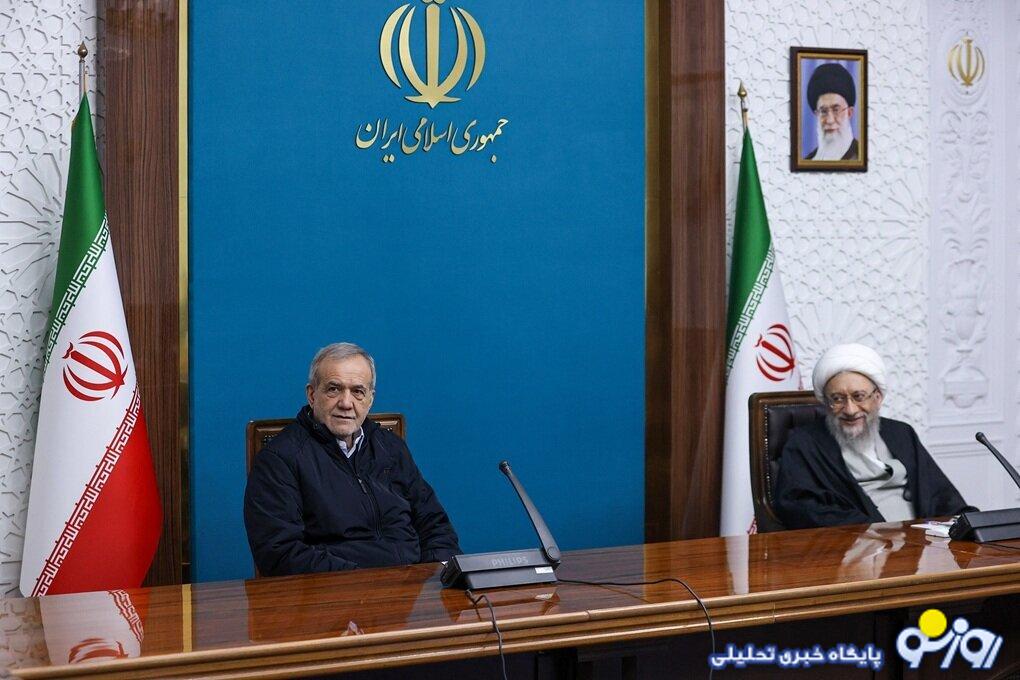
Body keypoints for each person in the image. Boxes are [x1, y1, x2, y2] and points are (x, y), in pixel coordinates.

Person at [244, 342, 460, 576]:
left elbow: (435, 524)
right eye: (334, 389)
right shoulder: (279, 459)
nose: (346, 403)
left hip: (411, 588)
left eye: (358, 391)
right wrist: (365, 582)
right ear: (312, 395)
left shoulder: (390, 447)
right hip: (337, 591)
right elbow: (280, 554)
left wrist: (438, 575)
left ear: (370, 399)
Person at [774, 343, 974, 529]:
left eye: (859, 396)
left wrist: (969, 523)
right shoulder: (805, 443)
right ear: (827, 403)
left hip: (922, 541)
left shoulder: (901, 433)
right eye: (837, 399)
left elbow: (940, 494)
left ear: (877, 398)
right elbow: (798, 507)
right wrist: (871, 529)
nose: (850, 409)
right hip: (858, 546)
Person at [804, 63, 859, 161]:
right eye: (823, 111)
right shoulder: (808, 161)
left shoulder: (863, 157)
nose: (830, 120)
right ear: (817, 114)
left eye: (836, 110)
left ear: (849, 113)